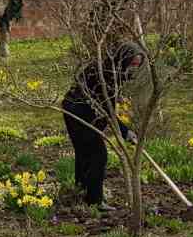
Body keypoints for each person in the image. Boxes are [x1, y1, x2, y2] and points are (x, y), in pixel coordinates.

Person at [61, 42, 144, 208]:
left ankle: (82, 191)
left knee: (85, 153)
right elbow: (108, 111)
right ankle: (95, 201)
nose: (134, 68)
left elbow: (106, 107)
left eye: (137, 65)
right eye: (132, 64)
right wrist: (126, 132)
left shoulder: (112, 70)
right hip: (79, 113)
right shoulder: (106, 74)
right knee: (98, 155)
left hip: (77, 109)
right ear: (124, 59)